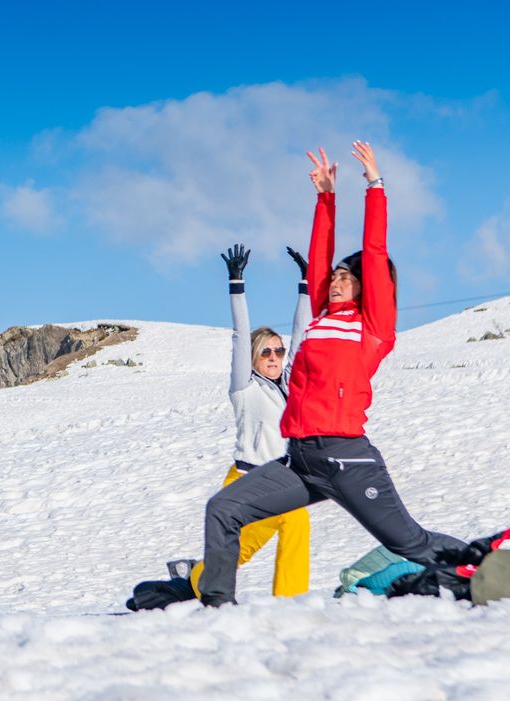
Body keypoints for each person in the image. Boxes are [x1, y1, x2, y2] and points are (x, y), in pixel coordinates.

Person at [196, 141, 469, 607]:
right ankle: (217, 607)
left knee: (410, 543)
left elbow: (376, 249)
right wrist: (325, 198)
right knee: (223, 508)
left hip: (347, 459)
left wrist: (374, 186)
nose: (337, 279)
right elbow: (319, 257)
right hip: (300, 461)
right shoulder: (322, 319)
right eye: (336, 276)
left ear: (366, 286)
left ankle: (485, 565)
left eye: (347, 276)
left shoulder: (372, 327)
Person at [176, 243, 315, 598]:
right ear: (253, 358)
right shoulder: (244, 388)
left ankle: (290, 601)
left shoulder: (289, 384)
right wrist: (236, 285)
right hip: (245, 479)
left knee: (297, 522)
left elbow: (302, 337)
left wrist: (306, 282)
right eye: (265, 351)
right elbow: (240, 337)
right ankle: (194, 581)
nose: (274, 356)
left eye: (278, 350)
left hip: (280, 479)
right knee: (236, 554)